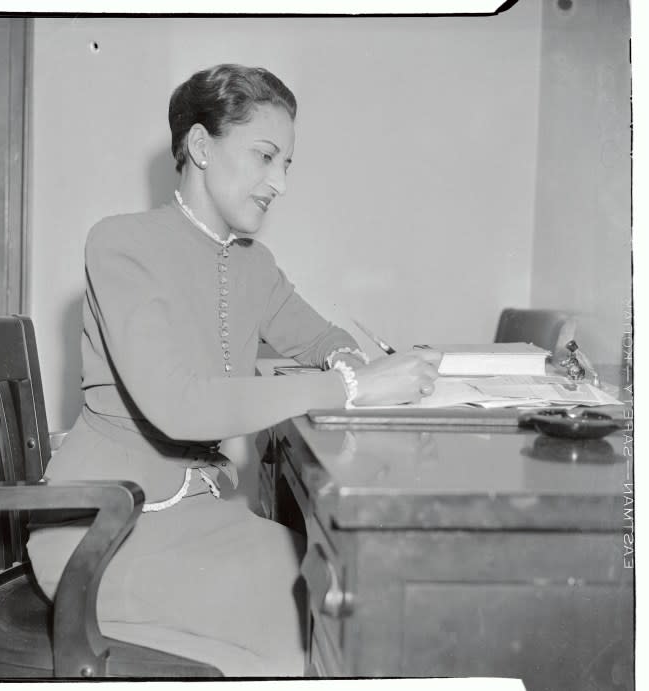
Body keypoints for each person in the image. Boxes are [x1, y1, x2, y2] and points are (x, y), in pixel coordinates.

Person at [26, 63, 441, 677]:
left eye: (288, 164)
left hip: (195, 521)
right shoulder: (119, 244)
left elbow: (320, 336)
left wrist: (345, 357)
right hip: (103, 535)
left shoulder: (253, 263)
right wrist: (355, 385)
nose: (280, 182)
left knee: (344, 585)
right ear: (200, 146)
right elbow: (179, 404)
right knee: (323, 616)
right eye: (266, 156)